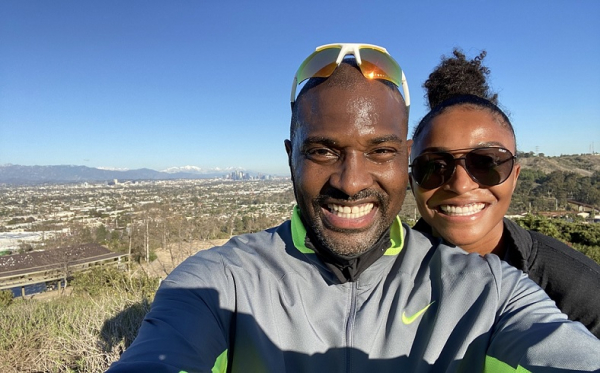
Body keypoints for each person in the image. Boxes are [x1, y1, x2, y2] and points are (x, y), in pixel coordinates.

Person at [106, 44, 600, 373]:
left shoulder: (488, 289)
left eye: (381, 151)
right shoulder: (220, 283)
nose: (351, 182)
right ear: (290, 156)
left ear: (403, 158)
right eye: (322, 150)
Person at [409, 48, 600, 338]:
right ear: (412, 178)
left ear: (515, 177)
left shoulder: (576, 289)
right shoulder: (380, 277)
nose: (460, 185)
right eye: (435, 166)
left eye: (486, 163)